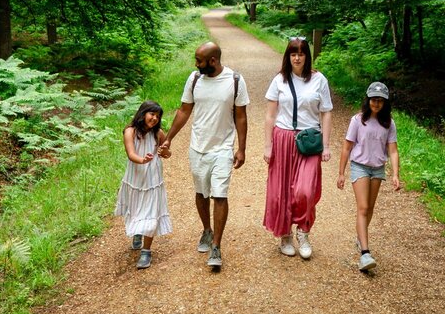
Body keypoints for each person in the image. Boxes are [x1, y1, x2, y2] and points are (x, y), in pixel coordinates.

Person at [161, 42, 249, 270]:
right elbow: (184, 110)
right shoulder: (194, 79)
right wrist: (169, 137)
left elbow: (241, 117)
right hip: (198, 147)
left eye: (199, 60)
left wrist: (241, 148)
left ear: (213, 61)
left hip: (222, 148)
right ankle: (206, 230)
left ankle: (217, 246)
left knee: (219, 194)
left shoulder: (235, 81)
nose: (195, 64)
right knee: (201, 193)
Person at [262, 36, 333, 260]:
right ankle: (285, 235)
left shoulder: (318, 79)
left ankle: (303, 232)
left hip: (309, 140)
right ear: (288, 56)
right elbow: (270, 115)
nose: (297, 57)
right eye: (293, 53)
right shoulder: (279, 80)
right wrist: (268, 145)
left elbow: (327, 111)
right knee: (281, 191)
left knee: (305, 190)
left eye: (301, 53)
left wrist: (327, 144)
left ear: (307, 56)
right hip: (283, 138)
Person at [336, 82, 400, 272]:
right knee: (363, 207)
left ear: (385, 103)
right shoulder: (357, 120)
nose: (376, 103)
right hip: (360, 167)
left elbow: (393, 151)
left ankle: (360, 237)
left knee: (369, 208)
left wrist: (396, 174)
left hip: (378, 169)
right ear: (368, 100)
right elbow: (347, 147)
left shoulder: (389, 123)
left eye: (380, 101)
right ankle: (365, 253)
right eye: (373, 100)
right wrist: (341, 173)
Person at [115, 100, 173, 270]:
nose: (154, 118)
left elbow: (167, 153)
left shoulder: (158, 133)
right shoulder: (130, 131)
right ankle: (137, 232)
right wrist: (142, 160)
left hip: (153, 179)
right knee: (136, 208)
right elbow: (131, 153)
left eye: (157, 116)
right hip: (135, 178)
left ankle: (146, 251)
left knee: (151, 212)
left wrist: (165, 151)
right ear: (143, 114)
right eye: (152, 114)